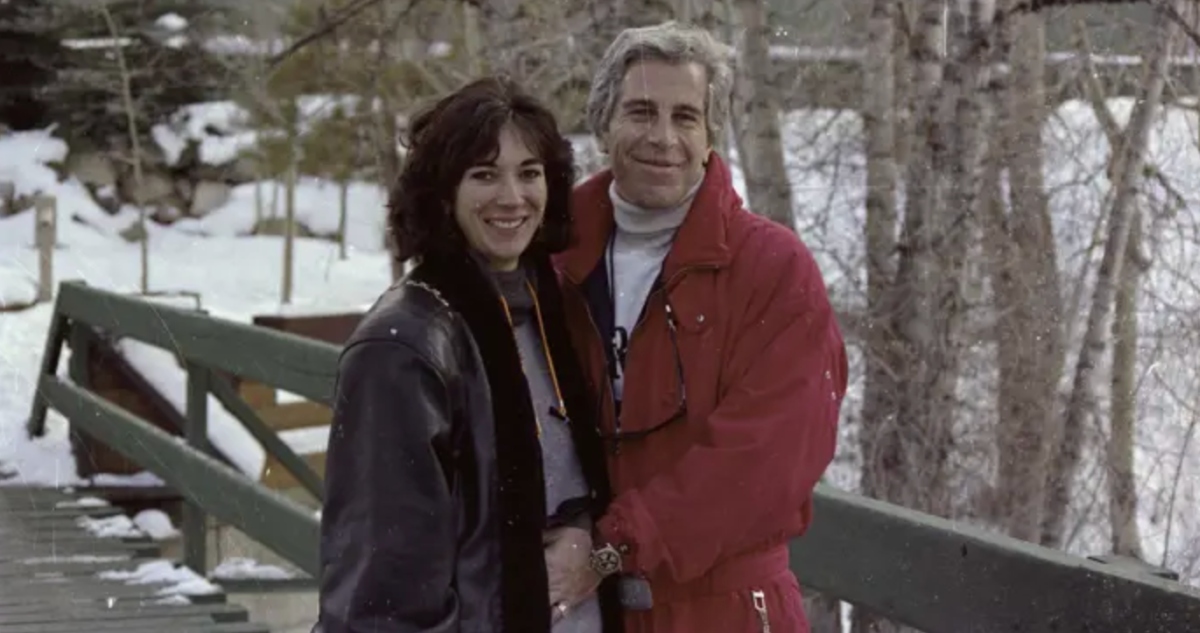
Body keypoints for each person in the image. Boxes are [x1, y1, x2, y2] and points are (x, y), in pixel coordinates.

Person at [545, 22, 848, 632]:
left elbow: (767, 461)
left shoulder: (771, 267)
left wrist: (615, 545)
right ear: (605, 124)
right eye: (640, 111)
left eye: (685, 116)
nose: (662, 137)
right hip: (581, 607)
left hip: (724, 609)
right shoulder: (552, 253)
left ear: (712, 136)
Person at [313, 76, 620, 633]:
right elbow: (381, 592)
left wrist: (582, 534)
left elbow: (554, 486)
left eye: (529, 174)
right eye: (484, 175)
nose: (512, 197)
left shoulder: (551, 314)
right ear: (442, 192)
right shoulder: (401, 349)